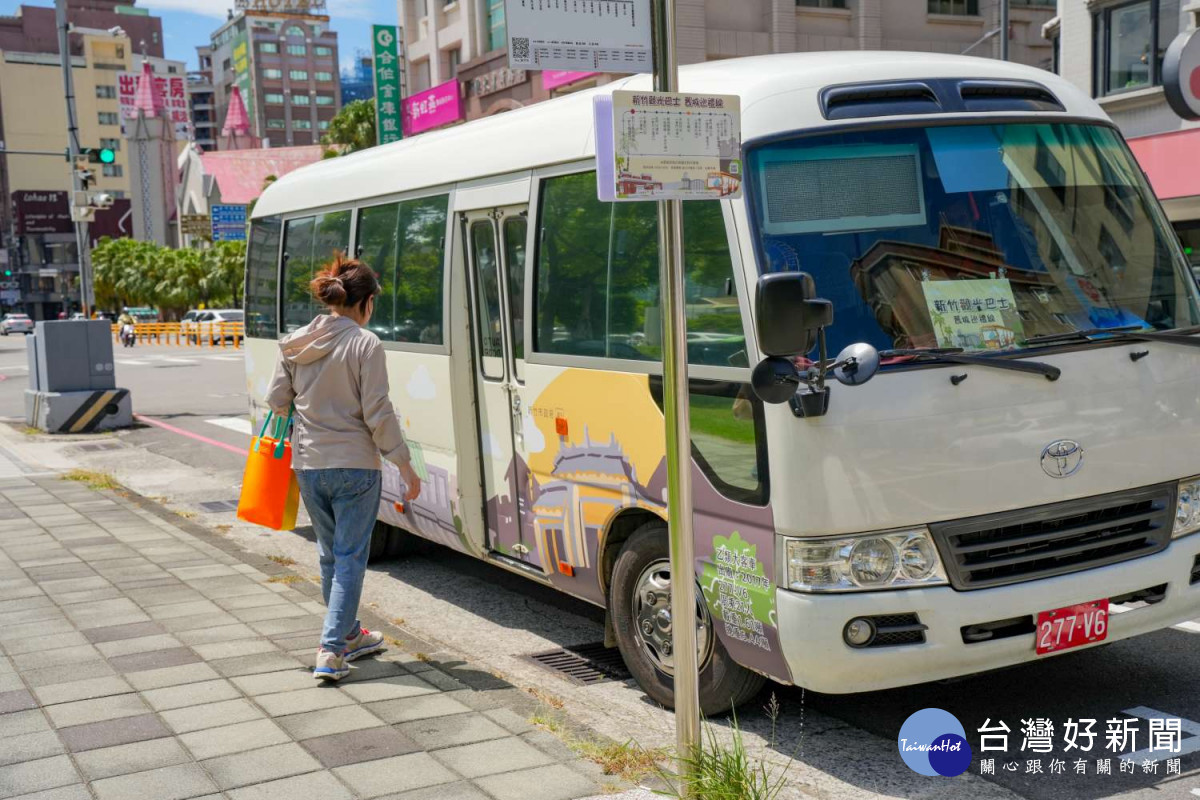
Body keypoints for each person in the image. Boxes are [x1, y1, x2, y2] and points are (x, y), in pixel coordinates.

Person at [265, 254, 422, 681]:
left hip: (309, 464)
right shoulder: (364, 343)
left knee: (331, 555)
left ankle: (351, 633)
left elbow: (277, 401)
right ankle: (331, 650)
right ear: (367, 302)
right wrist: (405, 466)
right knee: (351, 558)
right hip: (355, 466)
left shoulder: (295, 342)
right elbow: (378, 411)